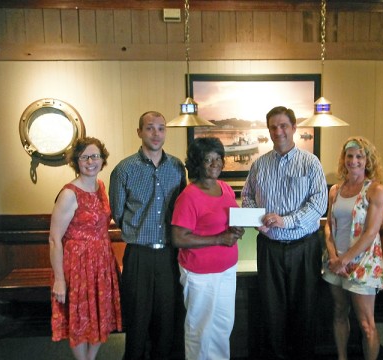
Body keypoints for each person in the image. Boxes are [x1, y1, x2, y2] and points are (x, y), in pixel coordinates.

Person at [241, 106, 328, 359]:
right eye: (273, 127)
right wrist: (257, 219)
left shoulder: (311, 163)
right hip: (269, 248)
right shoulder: (259, 165)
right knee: (271, 311)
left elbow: (318, 204)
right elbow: (246, 196)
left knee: (306, 310)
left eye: (283, 126)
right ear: (268, 130)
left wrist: (285, 221)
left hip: (304, 247)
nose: (278, 131)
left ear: (294, 128)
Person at [109, 111, 187, 360]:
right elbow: (118, 213)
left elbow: (181, 208)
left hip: (168, 255)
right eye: (150, 128)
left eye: (161, 128)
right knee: (137, 320)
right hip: (138, 255)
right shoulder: (124, 169)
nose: (156, 133)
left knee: (167, 321)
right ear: (139, 132)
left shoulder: (176, 167)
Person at [171, 137, 245, 360]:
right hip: (200, 274)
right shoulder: (189, 196)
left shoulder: (224, 188)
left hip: (227, 270)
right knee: (200, 330)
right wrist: (219, 239)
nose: (215, 164)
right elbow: (178, 237)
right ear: (197, 163)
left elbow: (227, 222)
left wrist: (236, 230)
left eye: (218, 158)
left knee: (223, 327)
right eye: (208, 159)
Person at [49, 137, 122, 360]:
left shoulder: (100, 186)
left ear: (102, 160)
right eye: (85, 157)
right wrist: (60, 279)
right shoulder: (69, 194)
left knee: (100, 314)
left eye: (95, 156)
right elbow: (54, 239)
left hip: (101, 262)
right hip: (77, 265)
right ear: (76, 161)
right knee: (80, 317)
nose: (91, 161)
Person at [322, 137, 383, 360]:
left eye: (359, 156)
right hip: (335, 263)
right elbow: (329, 226)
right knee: (340, 313)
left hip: (362, 265)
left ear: (367, 160)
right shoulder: (335, 190)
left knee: (366, 323)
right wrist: (333, 256)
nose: (354, 161)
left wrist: (345, 260)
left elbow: (371, 232)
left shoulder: (376, 190)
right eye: (350, 156)